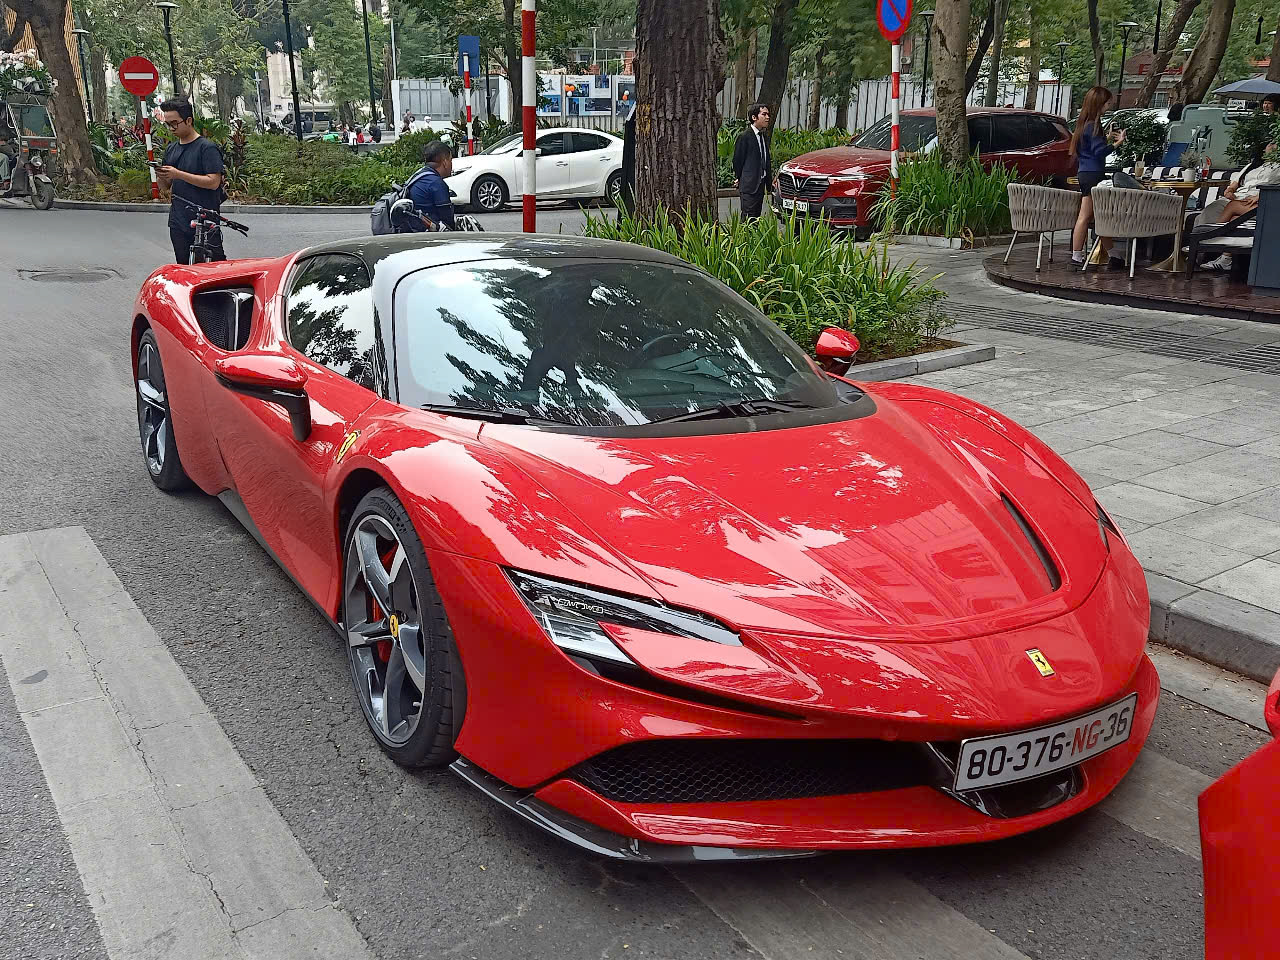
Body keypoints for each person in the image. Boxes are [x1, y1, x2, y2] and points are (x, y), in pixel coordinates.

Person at [156, 98, 226, 264]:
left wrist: (179, 174)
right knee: (183, 269)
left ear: (188, 120)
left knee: (214, 270)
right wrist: (160, 174)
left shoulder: (206, 148)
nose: (171, 128)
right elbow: (165, 187)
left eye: (175, 123)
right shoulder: (171, 148)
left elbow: (213, 182)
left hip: (204, 220)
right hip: (178, 220)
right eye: (168, 124)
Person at [1202, 140, 1280, 271]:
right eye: (1270, 144)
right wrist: (1229, 192)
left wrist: (1261, 196)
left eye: (1276, 144)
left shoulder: (1278, 167)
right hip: (1238, 197)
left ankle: (1205, 242)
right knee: (1212, 210)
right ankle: (1224, 258)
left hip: (1255, 200)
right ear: (1263, 149)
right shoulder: (1252, 165)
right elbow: (1233, 185)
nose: (1274, 146)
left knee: (1233, 208)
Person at [1070, 85, 1125, 267]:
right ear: (1100, 104)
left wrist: (1106, 138)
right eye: (1107, 103)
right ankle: (1077, 255)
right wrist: (1117, 143)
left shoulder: (1083, 124)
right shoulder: (1093, 125)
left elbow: (1089, 148)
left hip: (1085, 172)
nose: (1109, 106)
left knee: (1096, 216)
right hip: (1094, 174)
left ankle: (1113, 255)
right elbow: (1099, 152)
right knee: (1088, 216)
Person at [732, 103, 774, 221]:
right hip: (749, 185)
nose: (767, 117)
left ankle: (754, 239)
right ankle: (744, 239)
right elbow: (737, 160)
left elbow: (765, 159)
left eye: (768, 114)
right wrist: (741, 177)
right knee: (748, 217)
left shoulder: (762, 136)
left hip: (760, 184)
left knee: (756, 217)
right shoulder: (744, 136)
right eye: (764, 114)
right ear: (754, 117)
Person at [404, 140, 456, 231]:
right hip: (426, 236)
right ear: (445, 162)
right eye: (450, 160)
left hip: (413, 229)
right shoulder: (436, 183)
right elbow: (448, 221)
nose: (452, 164)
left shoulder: (419, 174)